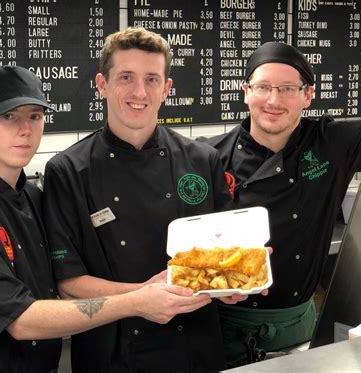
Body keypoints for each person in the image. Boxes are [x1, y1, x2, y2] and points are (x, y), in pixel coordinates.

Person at [0, 65, 220, 373]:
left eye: (34, 116)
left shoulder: (31, 196)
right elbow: (21, 320)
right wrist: (136, 302)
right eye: (8, 117)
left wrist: (150, 291)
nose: (25, 129)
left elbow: (61, 286)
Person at [42, 27, 248, 373]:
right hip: (111, 352)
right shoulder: (67, 171)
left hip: (195, 348)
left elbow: (224, 255)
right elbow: (68, 283)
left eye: (152, 79)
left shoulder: (202, 159)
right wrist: (142, 298)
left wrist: (235, 277)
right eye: (126, 77)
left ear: (166, 88)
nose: (140, 92)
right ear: (102, 84)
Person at [199, 41, 361, 366]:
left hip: (302, 328)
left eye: (287, 88)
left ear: (308, 95)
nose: (274, 100)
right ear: (246, 91)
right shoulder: (208, 156)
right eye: (263, 87)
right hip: (225, 330)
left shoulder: (333, 143)